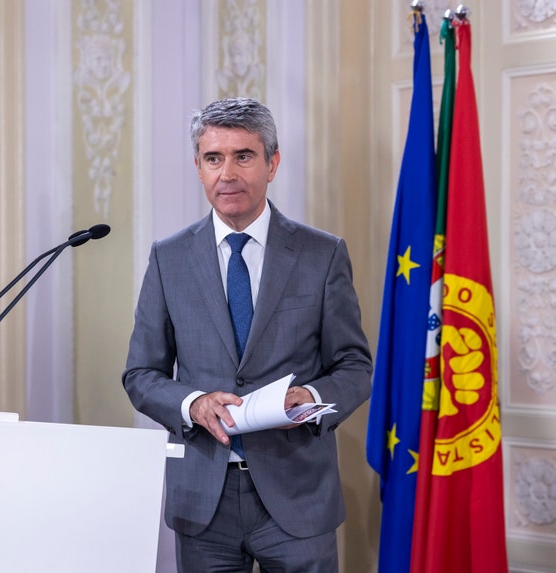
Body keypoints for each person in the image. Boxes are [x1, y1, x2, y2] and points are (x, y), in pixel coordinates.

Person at [122, 97, 372, 572]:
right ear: (198, 167)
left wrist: (311, 397)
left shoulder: (322, 254)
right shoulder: (168, 258)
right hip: (204, 501)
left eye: (243, 156)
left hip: (298, 496)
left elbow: (355, 366)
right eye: (213, 158)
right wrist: (193, 403)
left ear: (272, 163)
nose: (227, 174)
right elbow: (141, 374)